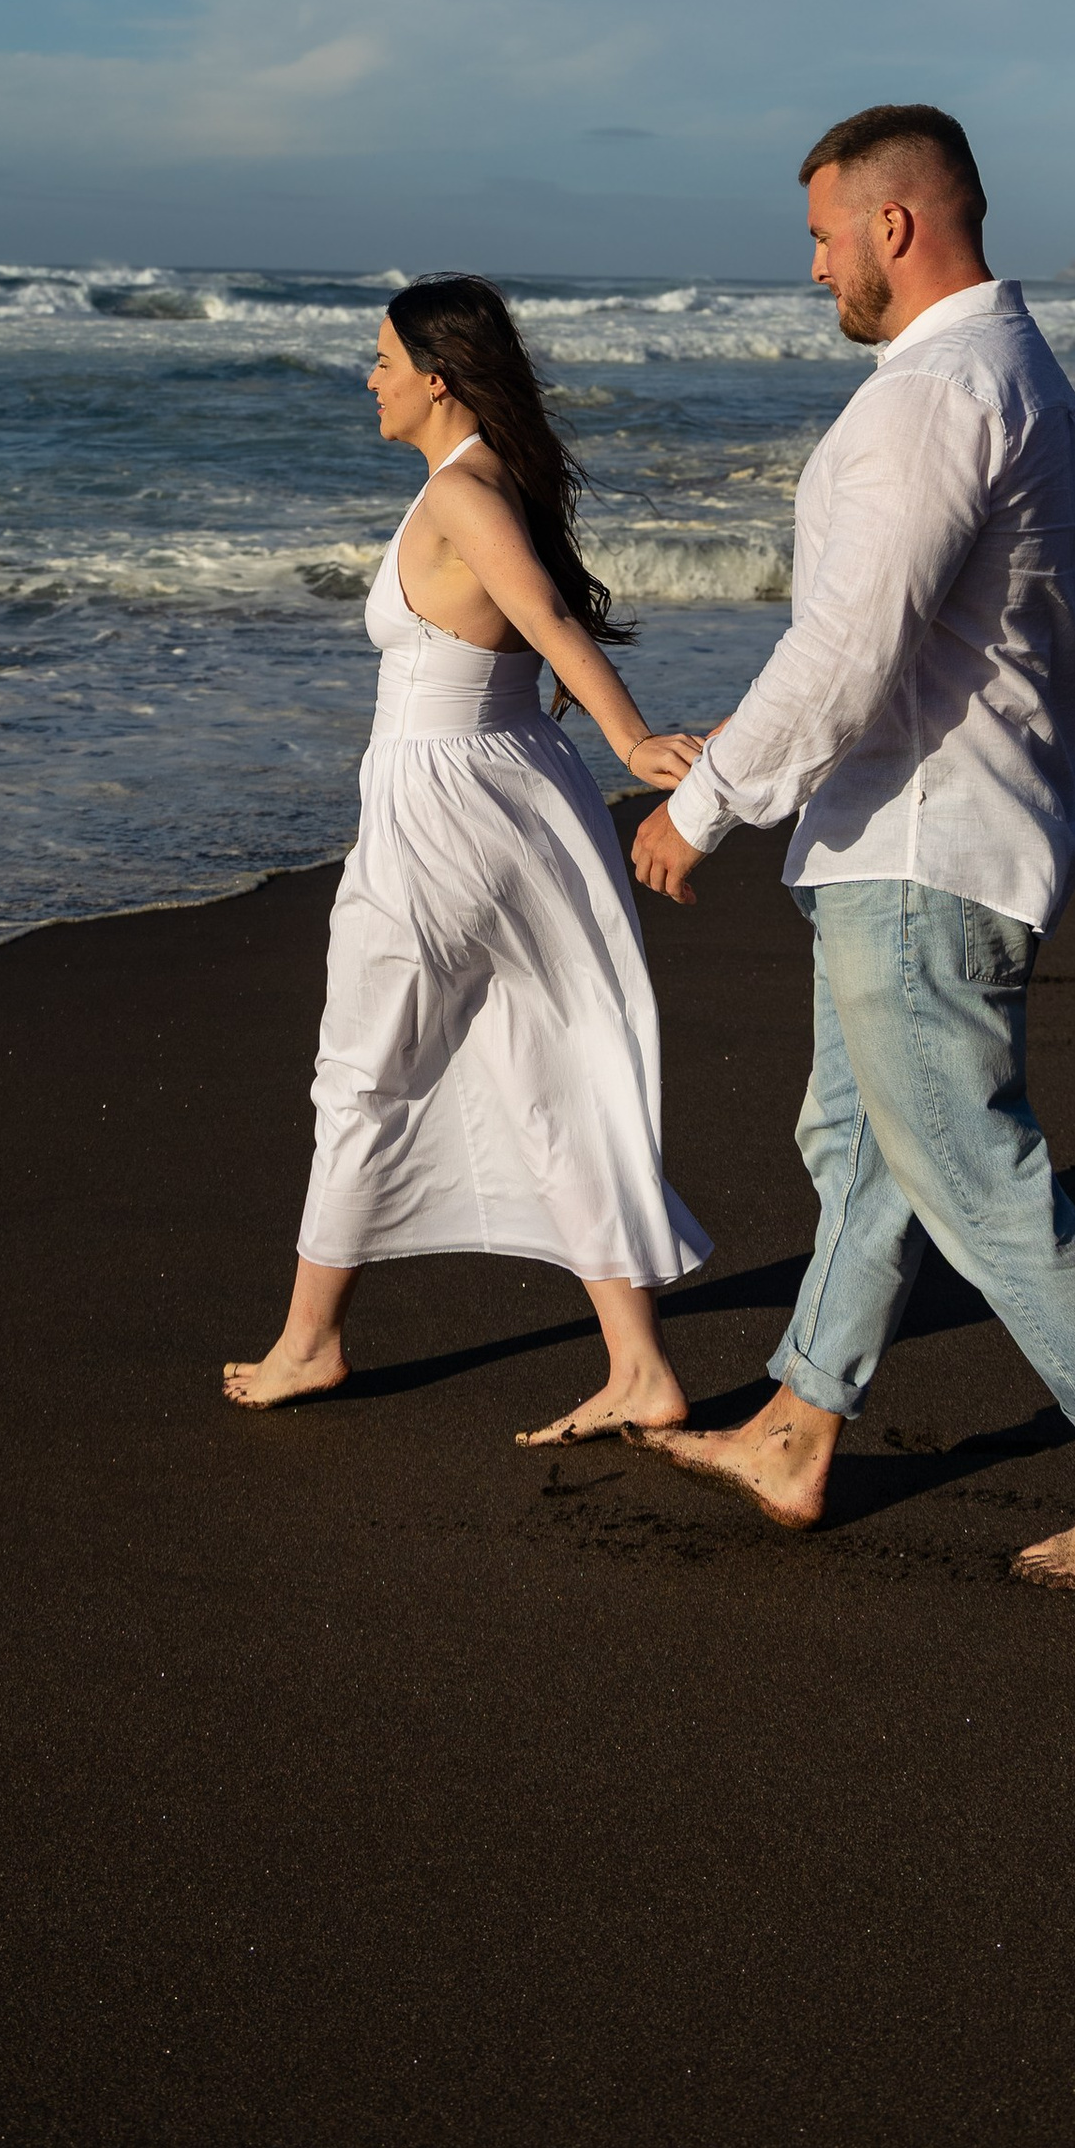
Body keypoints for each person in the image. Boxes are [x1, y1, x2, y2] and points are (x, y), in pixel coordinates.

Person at [629, 105, 1075, 1593]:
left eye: (826, 234)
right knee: (863, 1149)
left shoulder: (935, 392)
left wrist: (702, 805)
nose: (817, 265)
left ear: (896, 225)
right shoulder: (1009, 372)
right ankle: (796, 1426)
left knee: (963, 1163)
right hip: (922, 831)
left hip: (922, 845)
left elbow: (847, 644)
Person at [224, 275, 712, 1442]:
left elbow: (547, 619)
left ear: (436, 376)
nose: (370, 376)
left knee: (361, 1070)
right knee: (539, 1060)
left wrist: (632, 736)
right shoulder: (476, 481)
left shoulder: (464, 490)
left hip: (445, 806)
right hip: (496, 791)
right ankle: (638, 1366)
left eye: (382, 358)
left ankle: (310, 1342)